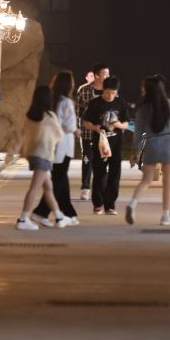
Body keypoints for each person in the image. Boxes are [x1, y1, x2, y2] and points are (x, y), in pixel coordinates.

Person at [127, 76, 170, 226]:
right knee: (167, 183)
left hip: (151, 143)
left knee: (146, 180)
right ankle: (165, 216)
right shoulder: (167, 104)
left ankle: (132, 204)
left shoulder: (143, 108)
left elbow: (138, 132)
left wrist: (135, 152)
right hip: (166, 143)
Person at [16, 85, 75, 230]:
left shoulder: (29, 116)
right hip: (44, 156)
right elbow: (59, 134)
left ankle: (59, 216)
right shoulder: (50, 116)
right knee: (35, 187)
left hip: (33, 155)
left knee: (48, 188)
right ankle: (23, 219)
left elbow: (21, 134)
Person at [34, 71, 80, 225]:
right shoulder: (66, 102)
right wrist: (76, 130)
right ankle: (41, 212)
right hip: (64, 145)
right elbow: (70, 125)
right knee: (58, 180)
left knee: (61, 179)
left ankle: (69, 213)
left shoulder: (52, 99)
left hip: (53, 144)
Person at [82, 75, 130, 215]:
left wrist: (118, 125)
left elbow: (126, 123)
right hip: (100, 145)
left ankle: (110, 205)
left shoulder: (121, 103)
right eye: (108, 92)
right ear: (103, 90)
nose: (110, 96)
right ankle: (98, 204)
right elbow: (86, 122)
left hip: (116, 145)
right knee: (99, 173)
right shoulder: (95, 103)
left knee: (115, 175)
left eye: (113, 93)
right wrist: (95, 127)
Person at [76, 65, 108, 200]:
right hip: (88, 132)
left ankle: (102, 188)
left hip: (105, 134)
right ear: (97, 76)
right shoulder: (84, 90)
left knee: (104, 160)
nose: (107, 76)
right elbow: (77, 111)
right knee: (87, 159)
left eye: (108, 74)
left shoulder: (110, 90)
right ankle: (85, 188)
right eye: (105, 74)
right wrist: (77, 128)